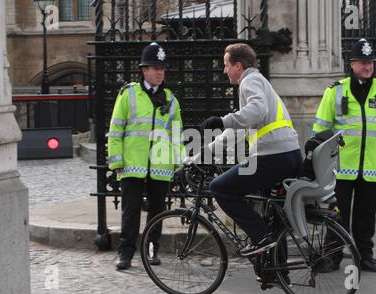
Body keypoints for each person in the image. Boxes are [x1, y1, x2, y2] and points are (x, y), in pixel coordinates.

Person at [202, 43, 302, 257]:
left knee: (220, 188)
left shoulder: (250, 81)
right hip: (288, 155)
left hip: (273, 156)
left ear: (238, 65)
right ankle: (277, 270)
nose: (224, 70)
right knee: (273, 215)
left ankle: (260, 238)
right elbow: (239, 129)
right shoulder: (258, 82)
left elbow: (256, 110)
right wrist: (205, 152)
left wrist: (221, 120)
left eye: (226, 65)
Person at [313, 39, 376, 273]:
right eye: (363, 62)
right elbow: (320, 131)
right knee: (336, 216)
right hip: (340, 168)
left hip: (373, 168)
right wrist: (323, 162)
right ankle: (332, 257)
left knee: (366, 216)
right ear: (351, 64)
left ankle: (366, 256)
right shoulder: (335, 91)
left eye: (370, 62)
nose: (368, 67)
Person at [108, 42, 185, 270]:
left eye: (162, 68)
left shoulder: (171, 100)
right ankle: (126, 254)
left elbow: (177, 135)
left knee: (157, 211)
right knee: (130, 211)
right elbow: (115, 129)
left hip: (160, 165)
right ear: (144, 70)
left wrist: (179, 163)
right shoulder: (128, 94)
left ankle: (152, 250)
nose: (160, 72)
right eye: (155, 68)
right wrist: (117, 160)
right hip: (132, 163)